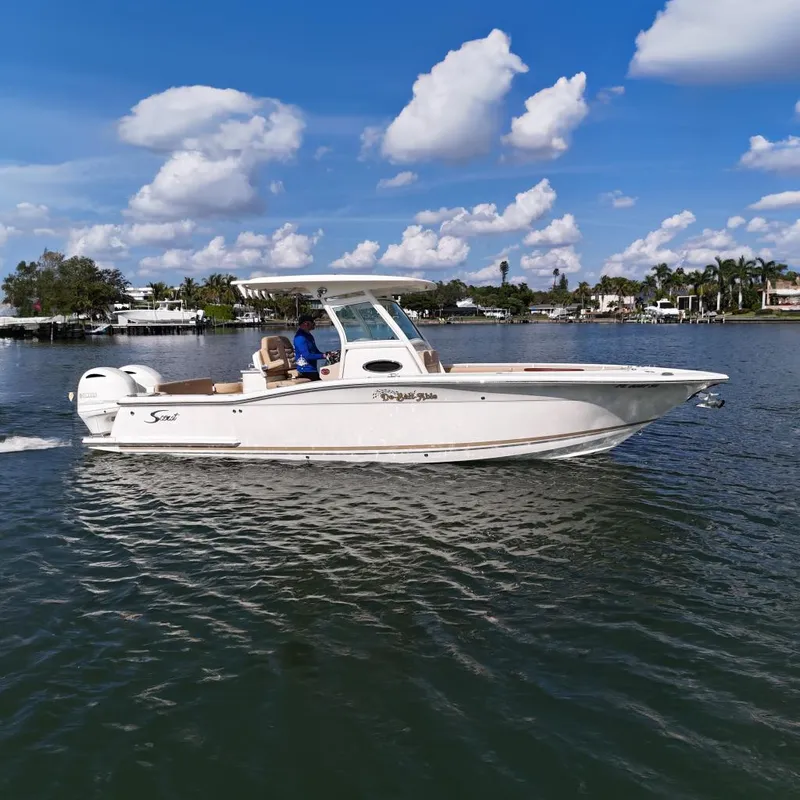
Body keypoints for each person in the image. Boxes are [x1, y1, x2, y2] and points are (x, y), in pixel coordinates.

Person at [293, 314, 327, 381]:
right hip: (305, 371)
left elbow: (315, 351)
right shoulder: (300, 338)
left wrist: (328, 355)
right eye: (313, 322)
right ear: (306, 323)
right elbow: (306, 356)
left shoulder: (309, 336)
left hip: (312, 370)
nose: (314, 324)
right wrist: (323, 356)